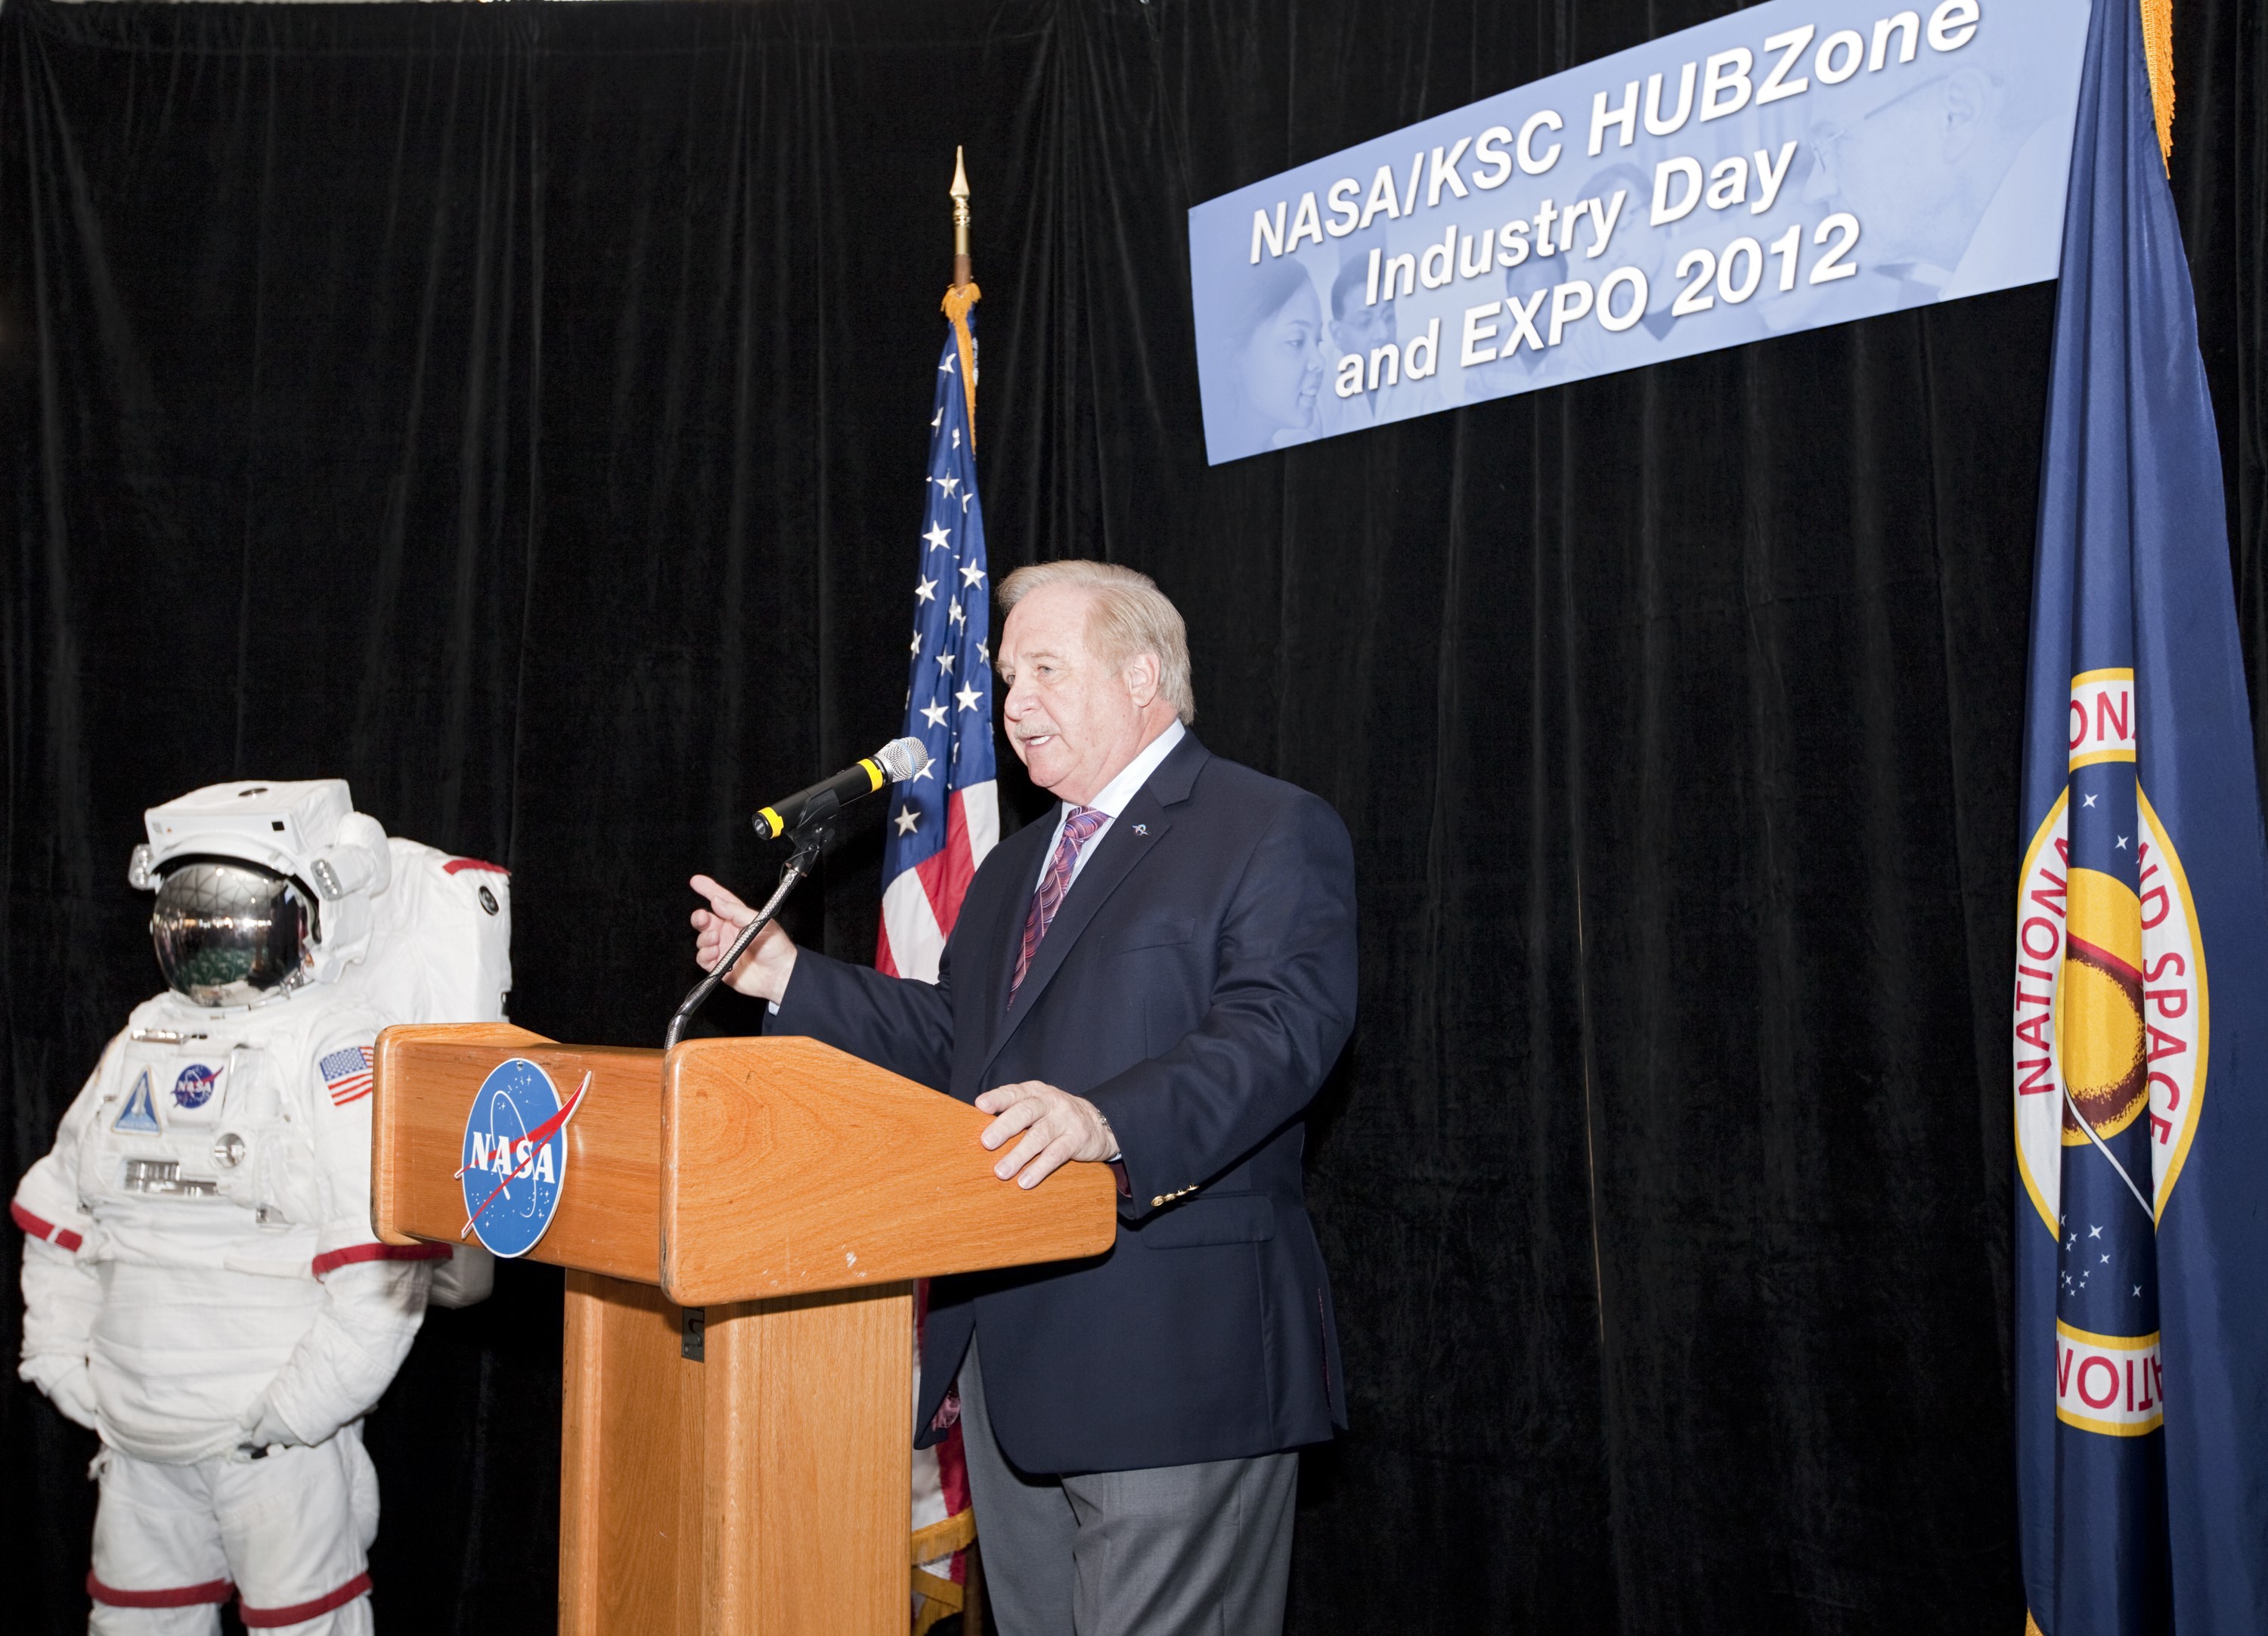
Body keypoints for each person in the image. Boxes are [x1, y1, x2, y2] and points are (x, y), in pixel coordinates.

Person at [689, 559, 1357, 1636]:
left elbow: (1279, 1034)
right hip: (1012, 1367)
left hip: (1176, 1362)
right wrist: (788, 977)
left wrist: (1105, 1120)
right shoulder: (1015, 868)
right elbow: (961, 1045)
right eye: (1007, 678)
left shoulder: (1265, 826)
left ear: (1143, 677)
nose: (1014, 704)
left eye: (1047, 669)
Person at [13, 779, 507, 1635]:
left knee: (302, 1624)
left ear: (311, 921)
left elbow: (379, 1258)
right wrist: (61, 1360)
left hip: (272, 1444)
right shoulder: (143, 1037)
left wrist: (294, 1413)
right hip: (136, 1433)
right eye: (191, 920)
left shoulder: (335, 1044)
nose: (214, 944)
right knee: (135, 1621)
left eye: (237, 919)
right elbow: (59, 1213)